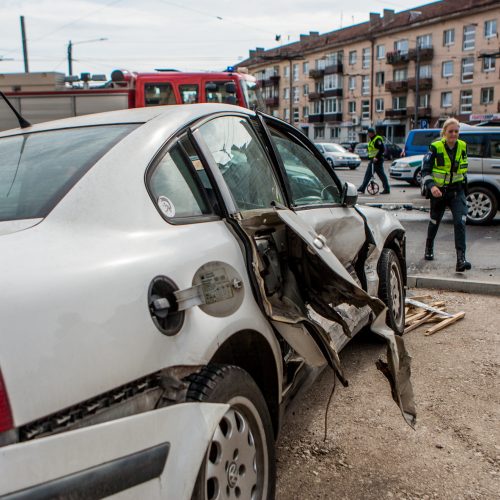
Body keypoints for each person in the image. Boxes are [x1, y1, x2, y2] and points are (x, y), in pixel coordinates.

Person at [422, 117, 471, 272]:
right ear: (444, 132)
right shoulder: (435, 147)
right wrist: (431, 187)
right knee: (435, 222)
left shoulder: (463, 146)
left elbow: (463, 170)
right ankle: (429, 247)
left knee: (460, 222)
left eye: (456, 131)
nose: (454, 134)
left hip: (457, 192)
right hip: (439, 193)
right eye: (451, 131)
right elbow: (425, 171)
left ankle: (461, 260)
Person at [357, 127, 391, 194]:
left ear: (371, 133)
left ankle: (387, 189)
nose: (368, 135)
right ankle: (362, 188)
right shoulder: (372, 140)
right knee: (368, 174)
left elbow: (382, 149)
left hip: (377, 160)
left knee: (381, 175)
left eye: (368, 133)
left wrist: (376, 157)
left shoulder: (377, 139)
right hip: (373, 160)